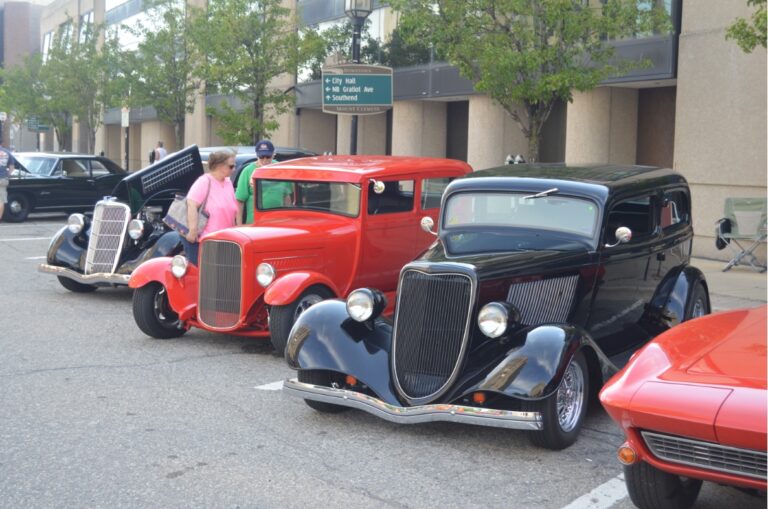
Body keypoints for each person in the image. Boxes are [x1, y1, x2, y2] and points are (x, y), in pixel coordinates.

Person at [181, 150, 238, 265]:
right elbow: (191, 204)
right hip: (208, 241)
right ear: (220, 166)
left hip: (226, 240)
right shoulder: (204, 182)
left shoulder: (228, 182)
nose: (234, 169)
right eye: (231, 166)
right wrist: (193, 231)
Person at [235, 139, 278, 225]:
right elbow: (240, 201)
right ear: (257, 155)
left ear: (273, 154)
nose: (265, 160)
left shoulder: (280, 168)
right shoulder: (247, 171)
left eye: (268, 156)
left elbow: (288, 197)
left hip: (278, 222)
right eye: (261, 157)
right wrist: (239, 226)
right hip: (255, 223)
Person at [0, 141, 16, 222]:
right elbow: (12, 166)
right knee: (1, 200)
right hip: (3, 179)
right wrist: (8, 175)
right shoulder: (7, 152)